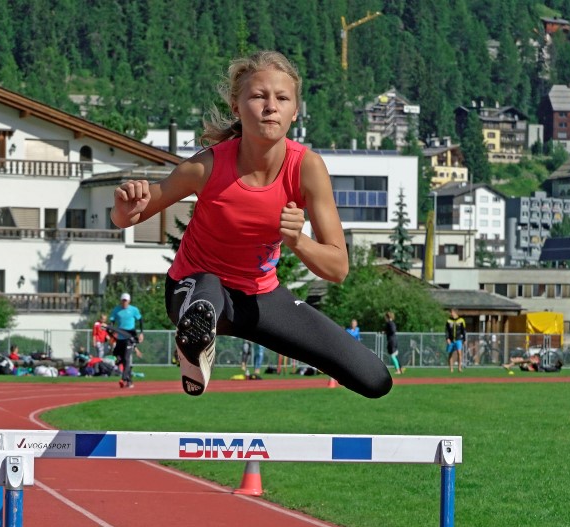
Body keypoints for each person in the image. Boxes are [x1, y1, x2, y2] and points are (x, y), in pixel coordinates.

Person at [110, 50, 391, 399]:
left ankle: (198, 339)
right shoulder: (206, 167)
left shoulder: (307, 168)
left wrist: (298, 241)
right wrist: (124, 208)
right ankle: (193, 346)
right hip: (194, 288)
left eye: (282, 98)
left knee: (375, 379)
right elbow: (130, 216)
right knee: (207, 293)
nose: (270, 106)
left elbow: (338, 268)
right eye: (259, 96)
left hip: (260, 298)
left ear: (294, 110)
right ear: (236, 107)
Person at [108, 292, 143, 388]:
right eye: (123, 300)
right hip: (120, 338)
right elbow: (112, 321)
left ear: (129, 301)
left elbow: (140, 320)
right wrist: (111, 330)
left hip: (129, 338)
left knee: (127, 359)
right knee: (119, 360)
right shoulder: (116, 310)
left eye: (126, 301)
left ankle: (123, 379)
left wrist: (141, 333)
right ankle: (129, 380)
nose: (124, 302)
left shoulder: (133, 310)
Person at [445, 308, 466, 373]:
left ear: (455, 313)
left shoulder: (461, 320)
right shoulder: (448, 320)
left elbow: (464, 330)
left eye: (452, 312)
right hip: (451, 340)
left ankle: (459, 368)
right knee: (450, 353)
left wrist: (464, 339)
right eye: (451, 312)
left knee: (459, 353)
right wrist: (447, 338)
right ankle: (451, 369)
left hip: (458, 339)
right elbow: (446, 330)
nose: (451, 313)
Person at [383, 310, 403, 374]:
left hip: (392, 341)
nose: (385, 318)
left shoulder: (390, 323)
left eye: (385, 317)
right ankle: (401, 368)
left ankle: (398, 370)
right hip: (394, 340)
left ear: (387, 317)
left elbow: (392, 330)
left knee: (392, 356)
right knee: (395, 355)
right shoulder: (391, 323)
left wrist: (386, 332)